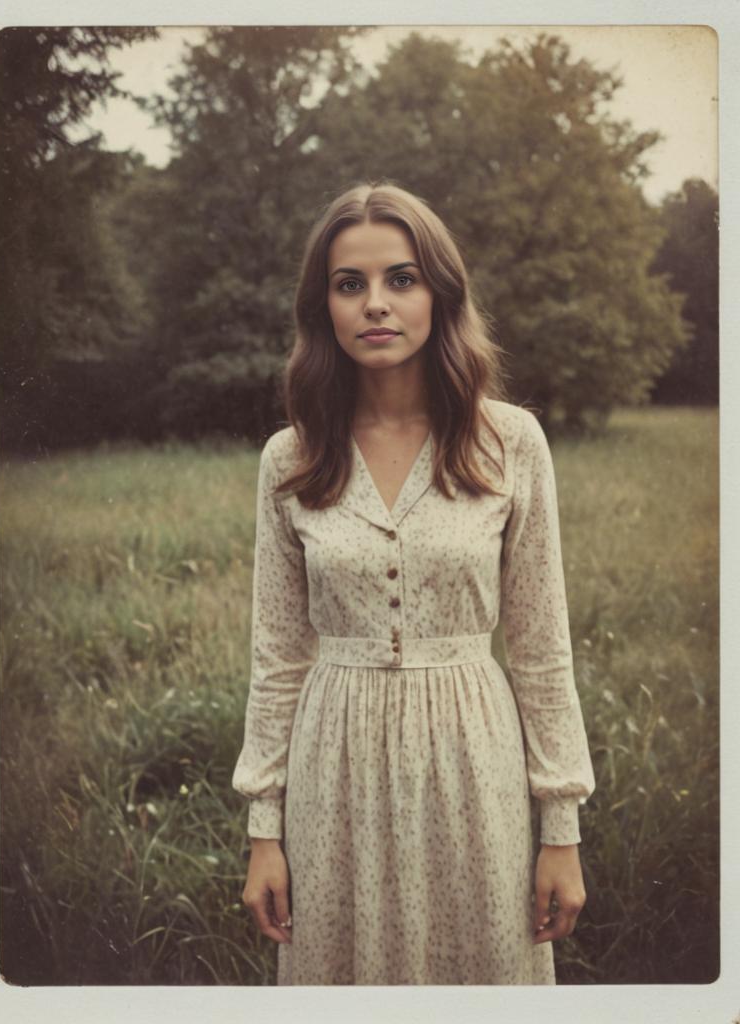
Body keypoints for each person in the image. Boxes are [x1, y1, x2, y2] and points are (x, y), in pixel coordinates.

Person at [232, 182, 595, 985]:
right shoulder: (289, 460)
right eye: (349, 283)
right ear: (322, 305)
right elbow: (279, 655)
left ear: (440, 292)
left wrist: (560, 828)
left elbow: (540, 645)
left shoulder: (510, 443)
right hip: (334, 772)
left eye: (402, 279)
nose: (376, 304)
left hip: (475, 762)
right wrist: (265, 829)